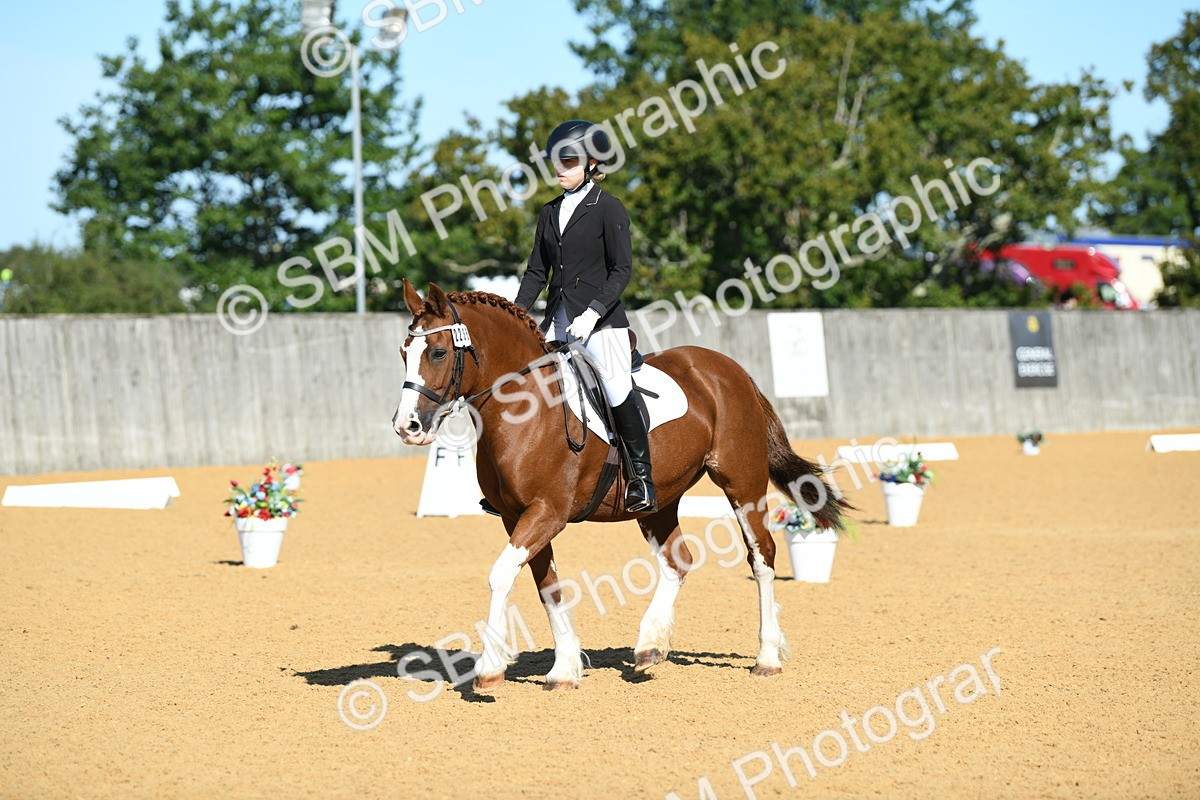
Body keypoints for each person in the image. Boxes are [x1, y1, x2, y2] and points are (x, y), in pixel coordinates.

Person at [514, 120, 657, 514]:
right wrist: (514, 315)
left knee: (613, 385)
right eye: (556, 161)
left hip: (602, 321)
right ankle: (516, 480)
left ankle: (642, 479)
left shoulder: (608, 208)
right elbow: (535, 274)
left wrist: (593, 312)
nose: (560, 168)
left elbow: (621, 271)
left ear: (593, 162)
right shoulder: (549, 212)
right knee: (530, 386)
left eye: (569, 160)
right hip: (556, 321)